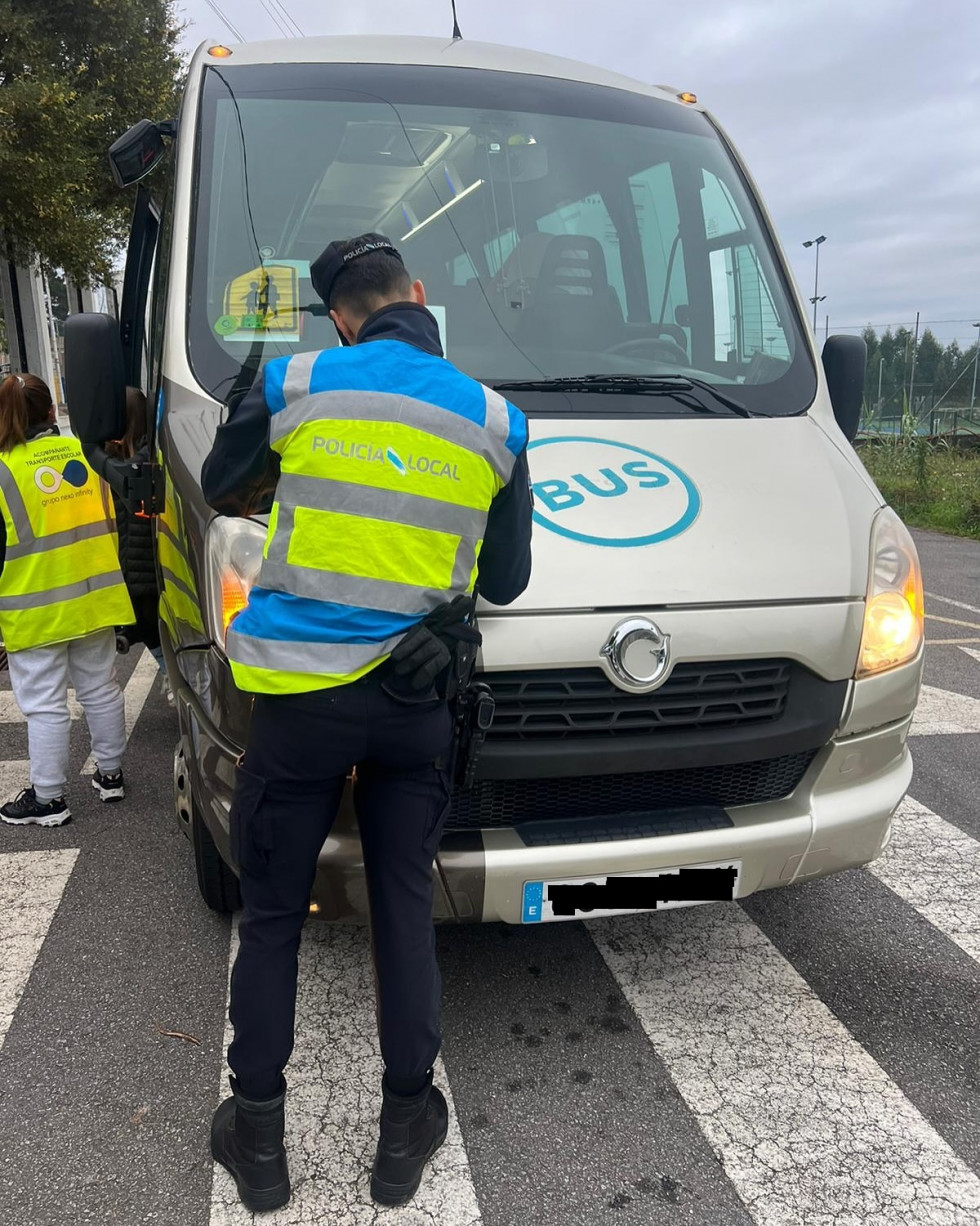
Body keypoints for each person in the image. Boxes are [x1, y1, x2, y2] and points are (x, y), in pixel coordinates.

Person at [201, 233, 533, 1214]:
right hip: (413, 707)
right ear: (418, 298)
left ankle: (258, 1141)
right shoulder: (497, 417)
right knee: (400, 907)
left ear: (339, 316)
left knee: (270, 916)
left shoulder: (296, 379)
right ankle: (403, 1133)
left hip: (300, 706)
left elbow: (225, 487)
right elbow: (506, 578)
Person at [0, 373, 135, 826]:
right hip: (95, 596)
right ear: (50, 407)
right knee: (101, 688)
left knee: (44, 705)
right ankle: (111, 775)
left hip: (34, 607)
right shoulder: (88, 453)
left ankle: (50, 798)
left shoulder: (3, 469)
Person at [106, 388, 166, 679]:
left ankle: (170, 674)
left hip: (138, 571)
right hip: (149, 569)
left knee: (151, 629)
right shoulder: (149, 456)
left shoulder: (121, 466)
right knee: (151, 628)